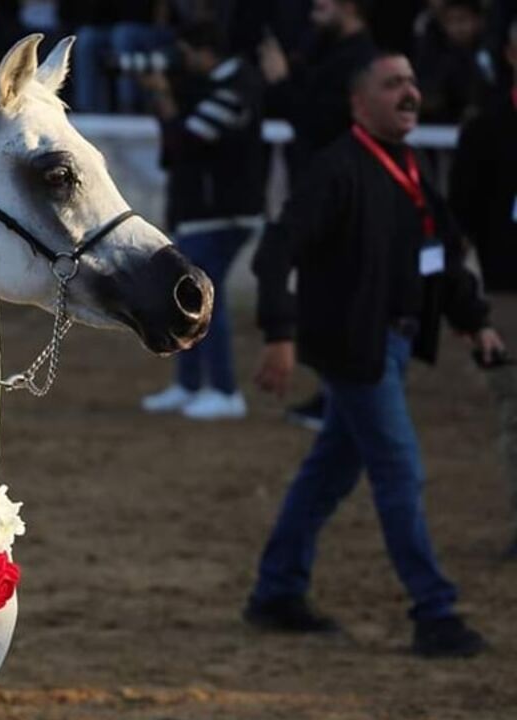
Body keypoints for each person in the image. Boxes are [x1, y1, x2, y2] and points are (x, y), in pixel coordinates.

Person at [245, 51, 504, 658]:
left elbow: (437, 250)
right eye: (394, 85)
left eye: (413, 81)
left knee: (329, 474)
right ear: (360, 103)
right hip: (354, 350)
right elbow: (276, 251)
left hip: (386, 345)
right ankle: (434, 611)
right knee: (400, 471)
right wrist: (279, 333)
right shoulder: (336, 169)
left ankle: (276, 590)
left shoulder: (408, 168)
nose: (410, 92)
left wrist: (473, 322)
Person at [258, 0, 377, 430]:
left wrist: (282, 80)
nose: (314, 8)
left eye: (325, 2)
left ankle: (339, 400)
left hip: (340, 192)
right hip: (320, 187)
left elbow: (318, 119)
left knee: (342, 295)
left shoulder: (361, 58)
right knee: (327, 294)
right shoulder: (327, 50)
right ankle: (335, 397)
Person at [138, 20, 265, 420]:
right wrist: (163, 103)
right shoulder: (214, 85)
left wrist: (167, 100)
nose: (183, 62)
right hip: (203, 212)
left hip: (222, 213)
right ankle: (190, 385)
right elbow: (174, 150)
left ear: (206, 51)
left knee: (208, 300)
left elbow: (189, 142)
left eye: (187, 53)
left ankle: (226, 390)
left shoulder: (237, 87)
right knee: (191, 296)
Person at [449, 18, 517, 557]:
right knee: (515, 412)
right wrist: (466, 308)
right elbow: (461, 221)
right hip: (508, 294)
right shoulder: (488, 129)